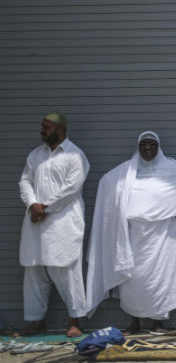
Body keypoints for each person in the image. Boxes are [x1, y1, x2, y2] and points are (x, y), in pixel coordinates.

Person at [86, 131, 176, 333]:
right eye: (143, 145)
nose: (147, 148)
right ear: (138, 148)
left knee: (162, 279)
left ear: (158, 147)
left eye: (151, 144)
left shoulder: (172, 170)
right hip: (133, 236)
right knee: (132, 279)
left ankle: (158, 323)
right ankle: (135, 322)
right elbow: (107, 184)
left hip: (163, 237)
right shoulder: (125, 173)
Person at [16, 111, 90, 337]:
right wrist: (32, 204)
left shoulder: (75, 156)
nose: (42, 131)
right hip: (36, 221)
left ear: (60, 130)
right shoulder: (35, 155)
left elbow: (71, 189)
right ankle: (36, 321)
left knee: (66, 270)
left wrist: (44, 208)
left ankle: (74, 321)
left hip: (62, 222)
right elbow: (24, 182)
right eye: (42, 127)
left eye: (46, 128)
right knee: (34, 270)